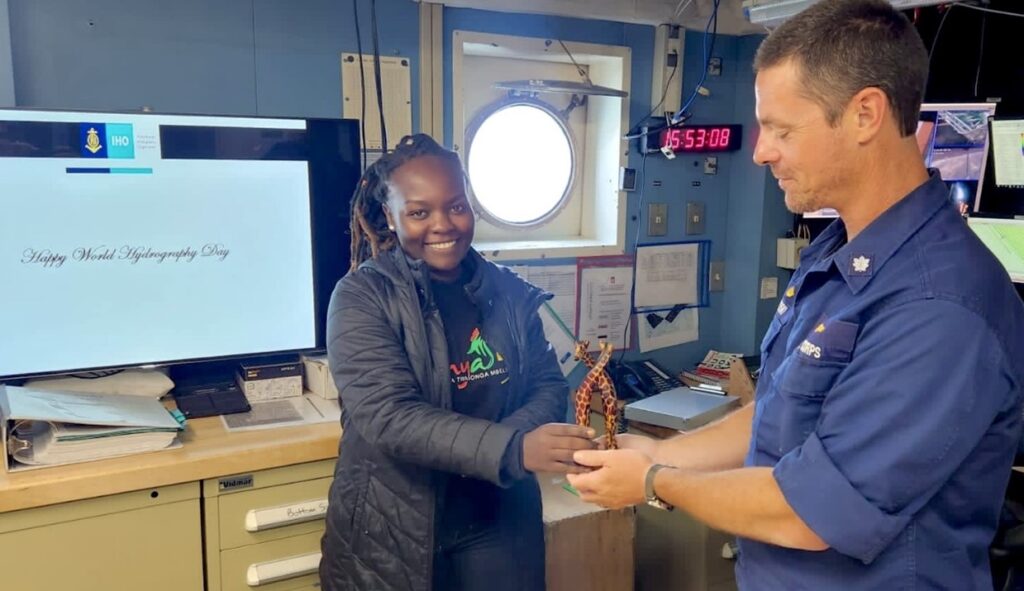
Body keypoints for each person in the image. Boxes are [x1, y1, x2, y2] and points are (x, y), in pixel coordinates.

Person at [567, 1, 1024, 589]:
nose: (760, 152)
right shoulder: (835, 254)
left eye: (782, 129)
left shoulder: (941, 305)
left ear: (865, 114)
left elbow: (813, 513)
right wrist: (654, 455)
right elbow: (772, 417)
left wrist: (653, 484)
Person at [318, 133, 595, 591]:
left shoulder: (509, 291)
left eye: (456, 206)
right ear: (390, 215)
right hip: (393, 529)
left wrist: (510, 450)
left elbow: (547, 386)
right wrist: (515, 449)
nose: (443, 224)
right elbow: (389, 417)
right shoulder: (361, 297)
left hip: (498, 520)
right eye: (420, 212)